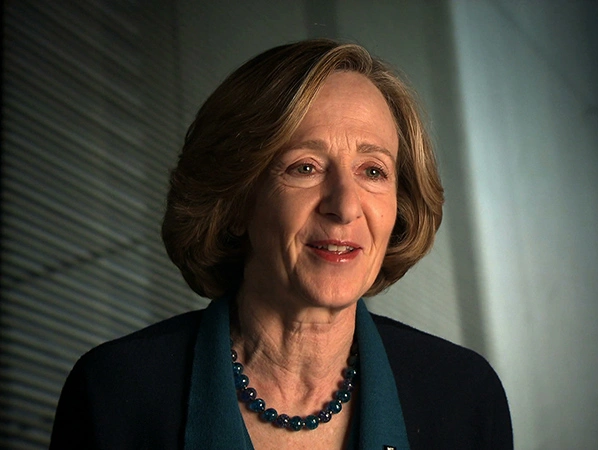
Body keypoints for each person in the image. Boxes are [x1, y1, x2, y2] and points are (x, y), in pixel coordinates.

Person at [50, 38, 513, 450]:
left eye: (373, 171)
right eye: (305, 167)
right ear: (235, 201)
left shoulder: (465, 396)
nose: (345, 206)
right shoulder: (115, 391)